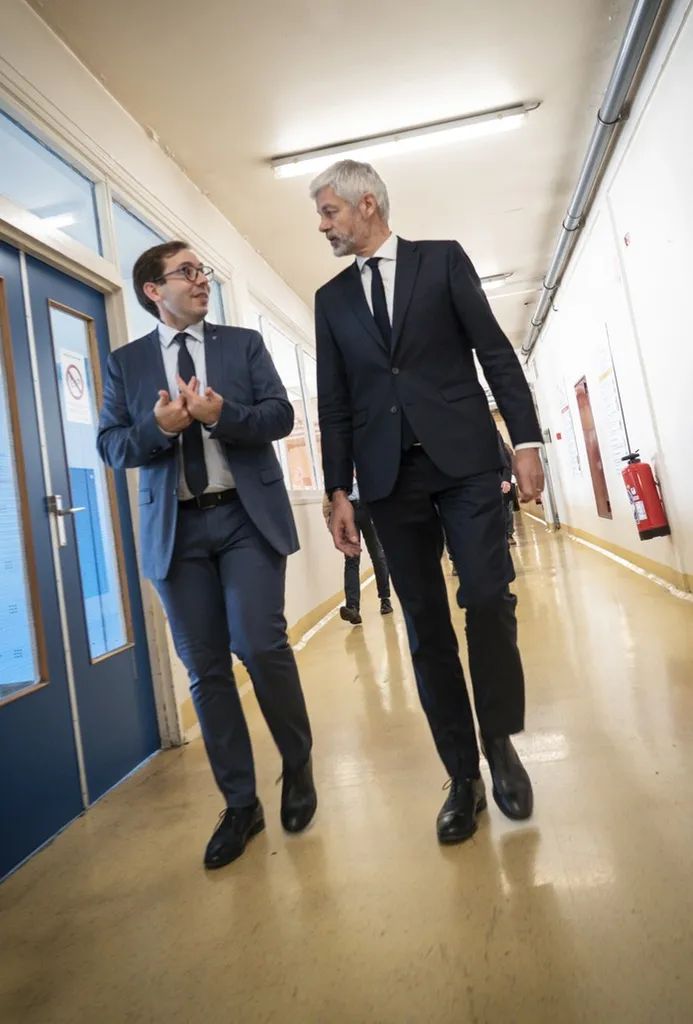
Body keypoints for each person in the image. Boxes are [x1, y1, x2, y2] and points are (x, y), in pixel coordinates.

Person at [310, 160, 544, 844]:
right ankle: (463, 775)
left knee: (485, 594)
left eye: (329, 212)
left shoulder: (439, 262)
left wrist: (524, 441)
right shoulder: (331, 301)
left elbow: (494, 354)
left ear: (367, 204)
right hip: (387, 480)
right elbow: (334, 403)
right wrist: (337, 489)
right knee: (424, 628)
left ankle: (498, 740)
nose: (322, 226)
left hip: (467, 462)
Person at [97, 241, 317, 869]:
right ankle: (241, 804)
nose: (201, 281)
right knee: (206, 672)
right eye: (187, 273)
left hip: (245, 518)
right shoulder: (126, 363)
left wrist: (224, 416)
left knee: (260, 644)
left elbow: (279, 415)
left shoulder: (243, 344)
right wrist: (160, 429)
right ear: (152, 291)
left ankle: (297, 766)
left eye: (203, 272)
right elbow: (113, 447)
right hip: (177, 530)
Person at [322, 477, 393, 624]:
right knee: (351, 559)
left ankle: (385, 599)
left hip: (367, 509)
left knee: (378, 555)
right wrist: (330, 519)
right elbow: (330, 492)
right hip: (348, 510)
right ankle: (353, 607)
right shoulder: (340, 461)